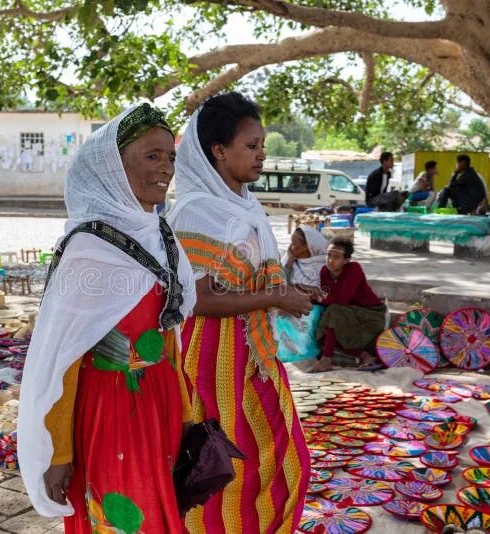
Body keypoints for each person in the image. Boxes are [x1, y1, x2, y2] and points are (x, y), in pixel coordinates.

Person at [17, 104, 197, 533]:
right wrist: (59, 453)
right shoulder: (88, 251)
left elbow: (169, 336)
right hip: (110, 411)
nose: (166, 168)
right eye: (152, 156)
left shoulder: (161, 236)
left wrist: (188, 415)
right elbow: (64, 358)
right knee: (124, 519)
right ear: (112, 166)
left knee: (161, 513)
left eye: (170, 156)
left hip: (163, 404)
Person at [167, 92, 311, 533]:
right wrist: (273, 298)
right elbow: (200, 299)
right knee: (224, 473)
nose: (261, 154)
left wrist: (287, 289)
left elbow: (245, 279)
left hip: (253, 355)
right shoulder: (197, 212)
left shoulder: (242, 205)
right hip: (211, 361)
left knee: (285, 462)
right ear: (218, 151)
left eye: (262, 145)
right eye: (251, 146)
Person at [313, 237, 386, 372]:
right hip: (346, 312)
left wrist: (317, 297)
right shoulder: (324, 271)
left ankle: (326, 359)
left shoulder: (354, 269)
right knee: (322, 323)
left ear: (346, 260)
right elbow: (327, 297)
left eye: (336, 257)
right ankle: (363, 355)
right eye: (329, 255)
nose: (330, 260)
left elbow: (340, 299)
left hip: (371, 314)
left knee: (333, 311)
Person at [276, 225, 328, 368]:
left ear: (307, 246)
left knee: (305, 316)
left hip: (312, 306)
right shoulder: (291, 261)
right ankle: (287, 351)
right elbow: (281, 284)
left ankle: (303, 353)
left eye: (294, 244)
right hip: (290, 301)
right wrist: (290, 263)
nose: (290, 247)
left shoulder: (321, 265)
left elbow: (318, 293)